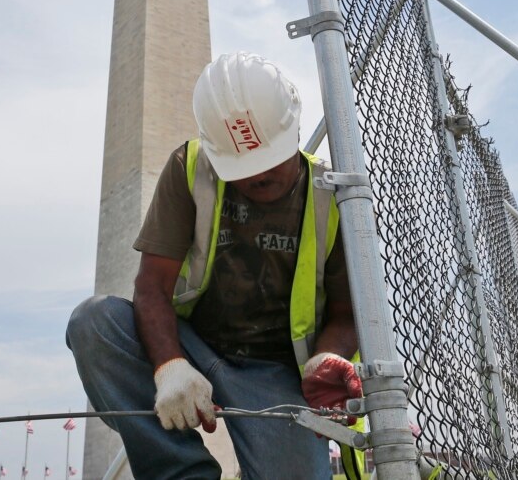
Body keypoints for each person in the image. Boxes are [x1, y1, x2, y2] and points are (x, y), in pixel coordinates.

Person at [66, 52, 362, 480]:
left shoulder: (329, 193)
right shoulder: (191, 169)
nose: (256, 178)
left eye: (268, 162)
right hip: (193, 343)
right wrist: (168, 366)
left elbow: (344, 312)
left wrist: (327, 357)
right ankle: (183, 474)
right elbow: (151, 288)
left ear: (294, 129)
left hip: (274, 370)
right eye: (241, 168)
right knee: (94, 322)